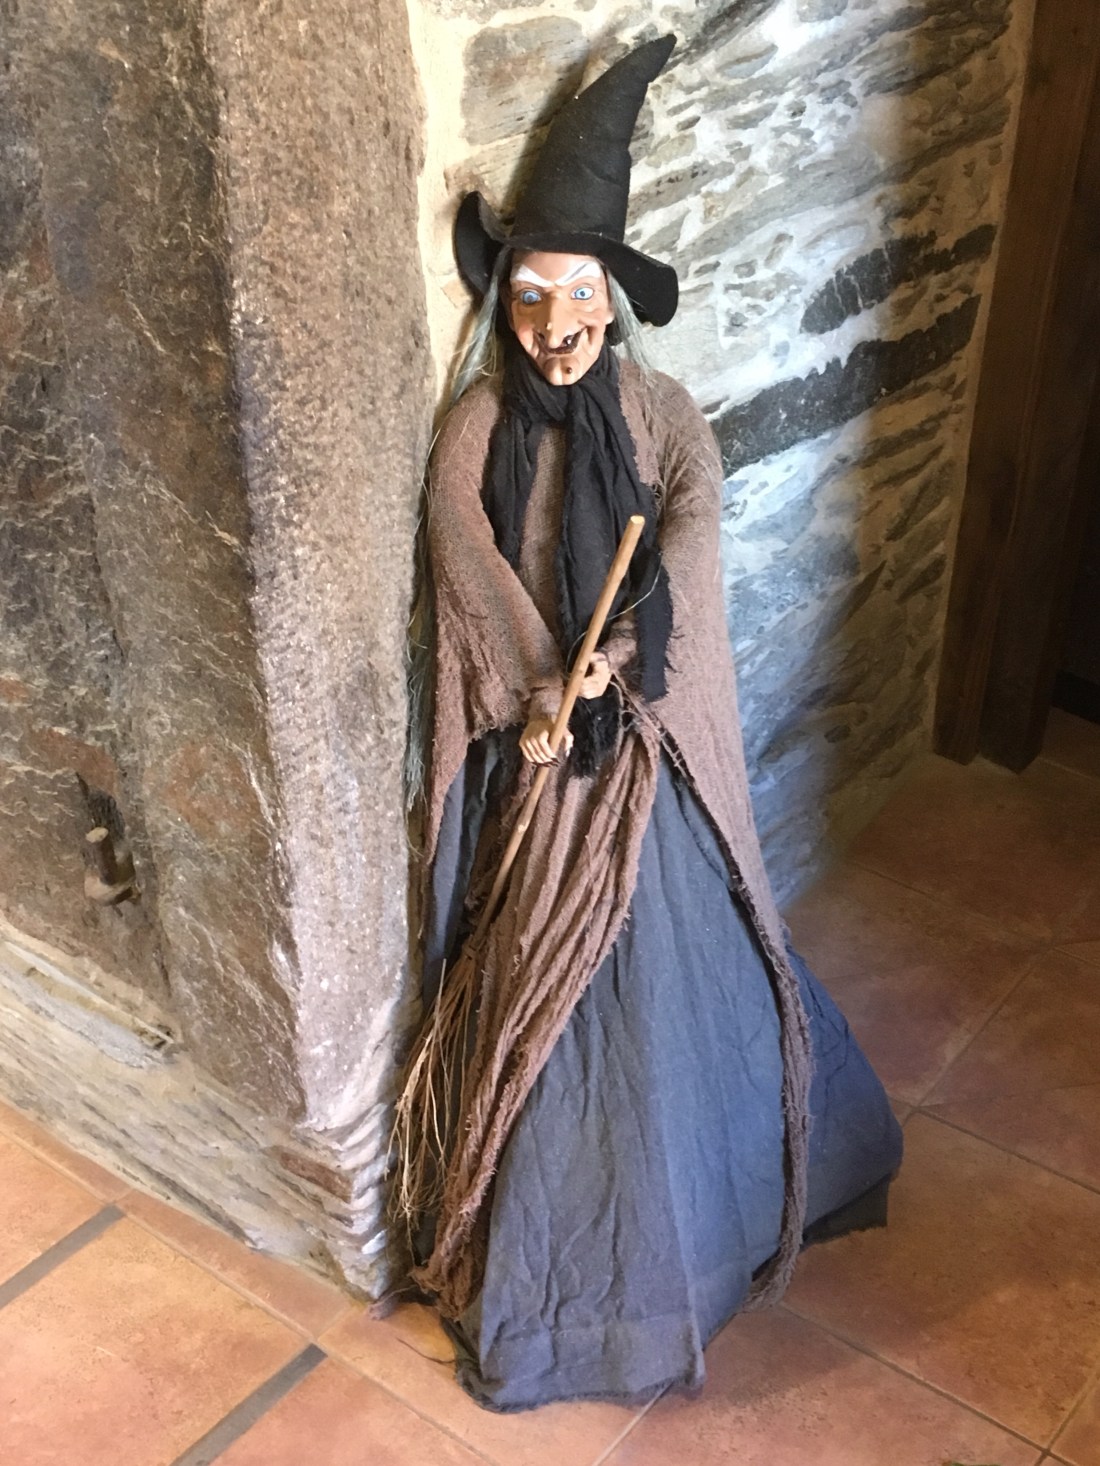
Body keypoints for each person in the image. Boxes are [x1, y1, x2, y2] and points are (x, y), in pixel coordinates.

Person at [399, 34, 903, 1411]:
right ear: (505, 301)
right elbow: (463, 551)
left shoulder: (664, 414)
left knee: (684, 984)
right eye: (531, 294)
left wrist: (614, 659)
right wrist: (534, 683)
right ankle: (564, 1279)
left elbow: (691, 529)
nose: (556, 321)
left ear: (612, 300)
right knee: (542, 993)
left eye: (580, 293)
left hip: (641, 747)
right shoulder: (477, 429)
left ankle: (701, 1218)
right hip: (538, 754)